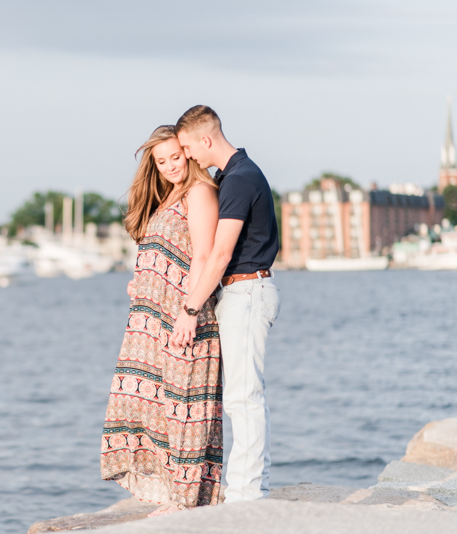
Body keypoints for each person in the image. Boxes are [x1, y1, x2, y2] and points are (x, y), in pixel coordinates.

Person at [101, 125, 224, 516]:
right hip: (150, 319)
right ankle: (174, 494)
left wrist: (188, 313)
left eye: (176, 156)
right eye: (162, 160)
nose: (171, 165)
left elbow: (204, 257)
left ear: (188, 153)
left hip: (184, 316)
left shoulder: (200, 192)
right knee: (154, 404)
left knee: (185, 404)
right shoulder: (167, 195)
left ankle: (186, 501)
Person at [173, 105, 280, 503]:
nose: (187, 156)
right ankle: (247, 488)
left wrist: (189, 310)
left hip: (247, 292)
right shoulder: (234, 175)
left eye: (186, 147)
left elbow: (220, 254)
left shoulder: (239, 179)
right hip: (244, 293)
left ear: (206, 138)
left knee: (244, 397)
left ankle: (248, 495)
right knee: (243, 396)